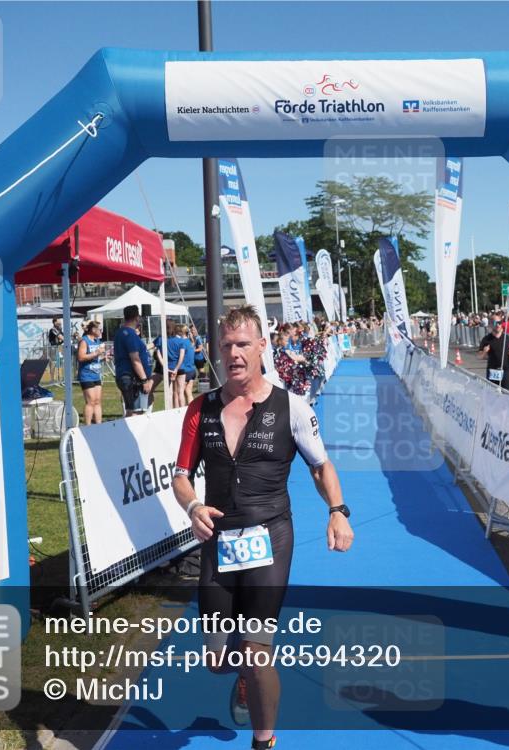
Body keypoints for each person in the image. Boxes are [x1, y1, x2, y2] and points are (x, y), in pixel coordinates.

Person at [172, 305, 353, 750]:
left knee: (256, 651)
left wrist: (338, 510)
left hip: (270, 537)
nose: (234, 354)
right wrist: (193, 504)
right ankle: (241, 678)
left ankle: (264, 740)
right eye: (227, 345)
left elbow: (320, 465)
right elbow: (180, 475)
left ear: (261, 347)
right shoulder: (200, 409)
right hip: (218, 541)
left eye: (243, 345)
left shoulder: (291, 407)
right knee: (218, 659)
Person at [113, 305, 153, 416]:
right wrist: (144, 380)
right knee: (135, 412)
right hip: (132, 377)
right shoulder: (130, 334)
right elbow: (135, 359)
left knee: (133, 410)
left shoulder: (121, 333)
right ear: (137, 317)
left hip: (128, 376)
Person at [478, 316, 509, 392]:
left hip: (505, 371)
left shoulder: (507, 337)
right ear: (490, 324)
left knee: (508, 395)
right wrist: (484, 351)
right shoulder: (486, 339)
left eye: (499, 323)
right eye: (495, 323)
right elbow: (479, 356)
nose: (498, 325)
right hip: (493, 371)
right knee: (492, 395)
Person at [77, 320, 105, 424]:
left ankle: (99, 425)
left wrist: (103, 358)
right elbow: (81, 357)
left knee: (97, 401)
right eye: (100, 329)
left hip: (96, 375)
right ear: (93, 330)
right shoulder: (84, 341)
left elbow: (95, 357)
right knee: (90, 401)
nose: (101, 331)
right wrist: (96, 353)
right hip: (86, 375)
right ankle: (88, 426)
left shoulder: (97, 341)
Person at [47, 317, 64, 382]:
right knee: (53, 363)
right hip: (53, 347)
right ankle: (52, 379)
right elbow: (62, 338)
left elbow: (63, 337)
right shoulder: (53, 329)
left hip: (59, 347)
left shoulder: (59, 329)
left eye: (60, 321)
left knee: (60, 362)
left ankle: (60, 378)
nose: (60, 323)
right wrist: (60, 338)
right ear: (54, 322)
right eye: (58, 322)